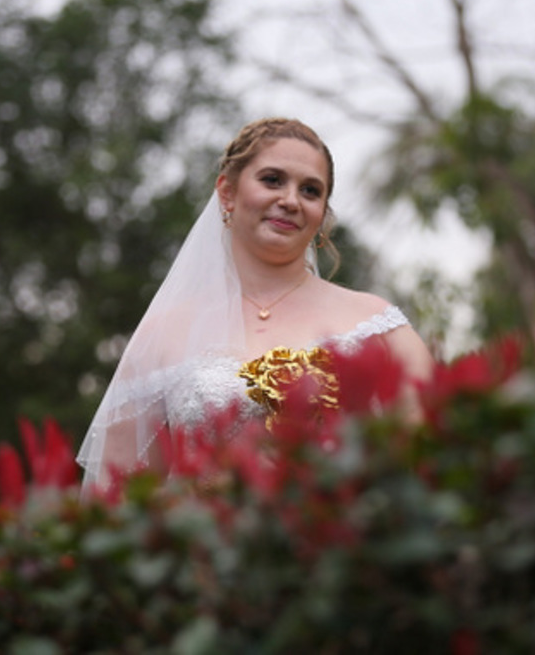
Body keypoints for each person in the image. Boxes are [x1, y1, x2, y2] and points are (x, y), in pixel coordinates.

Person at [76, 117, 434, 488]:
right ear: (227, 192)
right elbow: (118, 493)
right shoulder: (163, 334)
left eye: (310, 191)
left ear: (322, 215)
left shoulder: (377, 324)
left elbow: (430, 456)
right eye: (272, 180)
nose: (290, 200)